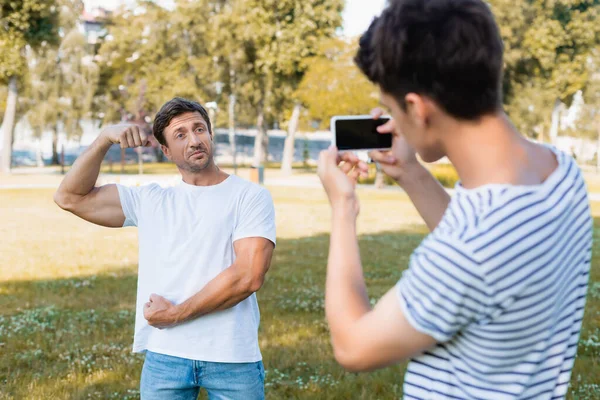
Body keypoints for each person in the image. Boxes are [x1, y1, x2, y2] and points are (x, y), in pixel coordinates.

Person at [317, 0, 592, 398]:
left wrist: (343, 208)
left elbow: (353, 346)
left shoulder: (472, 248)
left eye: (393, 108)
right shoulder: (559, 172)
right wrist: (410, 171)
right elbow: (484, 259)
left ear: (416, 107)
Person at [54, 98, 275, 399]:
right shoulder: (151, 200)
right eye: (181, 134)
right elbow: (69, 197)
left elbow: (248, 275)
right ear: (167, 151)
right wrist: (104, 138)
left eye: (199, 129)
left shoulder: (250, 196)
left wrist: (175, 315)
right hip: (165, 357)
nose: (195, 139)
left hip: (231, 356)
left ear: (211, 135)